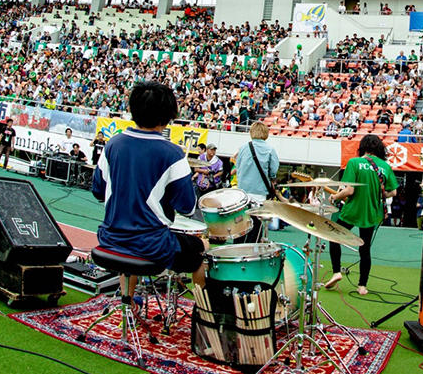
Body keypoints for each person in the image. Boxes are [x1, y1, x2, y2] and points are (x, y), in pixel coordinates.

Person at [90, 82, 206, 288]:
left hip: (110, 238)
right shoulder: (172, 153)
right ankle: (204, 315)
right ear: (169, 115)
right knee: (201, 248)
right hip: (152, 245)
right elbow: (187, 207)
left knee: (133, 247)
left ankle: (128, 301)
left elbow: (98, 191)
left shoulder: (112, 145)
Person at [324, 134, 398, 296]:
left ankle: (337, 272)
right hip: (371, 212)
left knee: (334, 237)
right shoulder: (385, 166)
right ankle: (362, 286)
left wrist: (335, 197)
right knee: (365, 250)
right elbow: (393, 191)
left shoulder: (354, 163)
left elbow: (350, 190)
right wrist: (376, 193)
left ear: (362, 147)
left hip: (352, 210)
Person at [233, 122, 283, 229]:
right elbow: (273, 170)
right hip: (259, 191)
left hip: (242, 191)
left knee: (241, 225)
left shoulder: (243, 148)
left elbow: (237, 166)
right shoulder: (270, 149)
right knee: (256, 226)